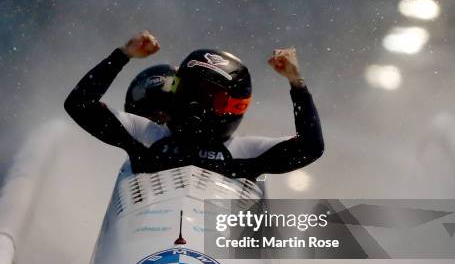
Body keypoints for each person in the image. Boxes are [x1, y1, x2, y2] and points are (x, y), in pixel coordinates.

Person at [64, 31, 324, 180]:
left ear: (234, 107)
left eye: (211, 99)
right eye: (188, 91)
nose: (195, 105)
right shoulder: (147, 135)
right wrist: (123, 54)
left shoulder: (245, 152)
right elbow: (79, 104)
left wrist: (297, 83)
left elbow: (311, 147)